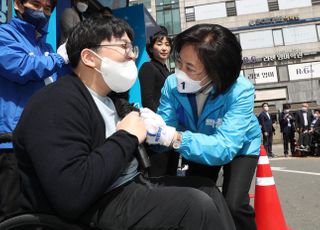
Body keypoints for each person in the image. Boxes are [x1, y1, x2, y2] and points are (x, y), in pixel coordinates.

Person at [13, 16, 235, 230]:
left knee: (208, 190)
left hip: (127, 186)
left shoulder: (111, 99)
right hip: (94, 203)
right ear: (89, 57)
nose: (132, 57)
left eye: (132, 49)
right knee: (195, 206)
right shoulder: (56, 102)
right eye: (124, 47)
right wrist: (127, 136)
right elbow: (71, 193)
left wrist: (153, 132)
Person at [141, 23, 261, 230]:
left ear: (216, 72)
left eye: (190, 68)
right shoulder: (171, 85)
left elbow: (225, 147)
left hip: (240, 146)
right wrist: (153, 132)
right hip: (198, 144)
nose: (180, 71)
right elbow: (165, 129)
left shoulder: (240, 91)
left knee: (234, 204)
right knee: (198, 198)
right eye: (178, 62)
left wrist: (176, 138)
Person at [0, 0, 68, 219]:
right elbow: (20, 67)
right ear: (18, 5)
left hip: (42, 144)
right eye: (36, 3)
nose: (42, 11)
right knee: (12, 216)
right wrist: (59, 58)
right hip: (11, 143)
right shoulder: (4, 35)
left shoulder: (45, 48)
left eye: (47, 8)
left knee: (41, 214)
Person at [138, 27, 177, 176]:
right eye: (159, 44)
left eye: (167, 44)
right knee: (159, 175)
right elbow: (148, 99)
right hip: (159, 130)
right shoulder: (148, 67)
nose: (164, 48)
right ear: (150, 48)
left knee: (171, 172)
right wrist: (163, 123)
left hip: (171, 128)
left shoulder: (167, 70)